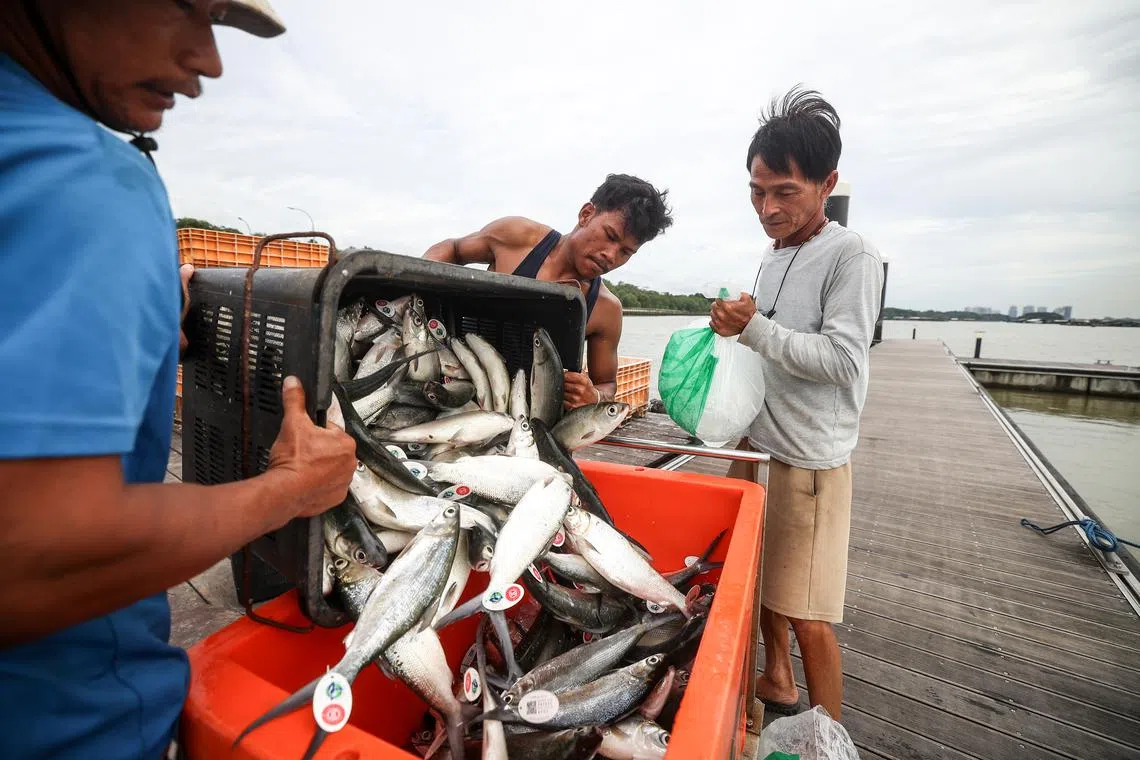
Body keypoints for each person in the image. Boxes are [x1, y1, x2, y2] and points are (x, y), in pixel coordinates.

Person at [0, 3, 357, 758]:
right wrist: (290, 489)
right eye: (189, 9)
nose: (210, 61)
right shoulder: (85, 181)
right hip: (56, 724)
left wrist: (144, 304)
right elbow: (25, 564)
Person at [710, 86, 884, 721]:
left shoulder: (852, 255)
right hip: (759, 445)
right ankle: (776, 680)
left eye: (785, 192)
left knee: (810, 614)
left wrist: (752, 329)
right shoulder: (776, 250)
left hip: (809, 462)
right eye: (757, 191)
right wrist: (734, 328)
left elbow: (842, 360)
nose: (767, 207)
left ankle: (830, 735)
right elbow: (771, 337)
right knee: (755, 585)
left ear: (826, 182)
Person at [422, 174, 673, 409]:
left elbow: (607, 385)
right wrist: (416, 289)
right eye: (609, 235)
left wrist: (593, 395)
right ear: (586, 214)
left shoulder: (606, 310)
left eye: (626, 252)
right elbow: (453, 249)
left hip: (531, 420)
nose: (611, 255)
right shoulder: (517, 237)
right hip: (450, 389)